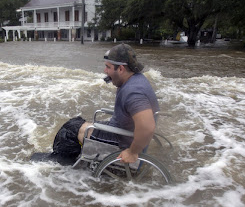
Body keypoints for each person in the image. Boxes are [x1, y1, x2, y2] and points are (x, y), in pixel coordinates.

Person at [31, 43, 159, 165]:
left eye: (108, 67)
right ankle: (68, 157)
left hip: (121, 140)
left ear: (121, 68)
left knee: (69, 132)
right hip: (120, 130)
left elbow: (147, 127)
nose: (105, 71)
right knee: (75, 123)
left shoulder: (134, 93)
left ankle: (62, 167)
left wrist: (132, 152)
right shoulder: (134, 79)